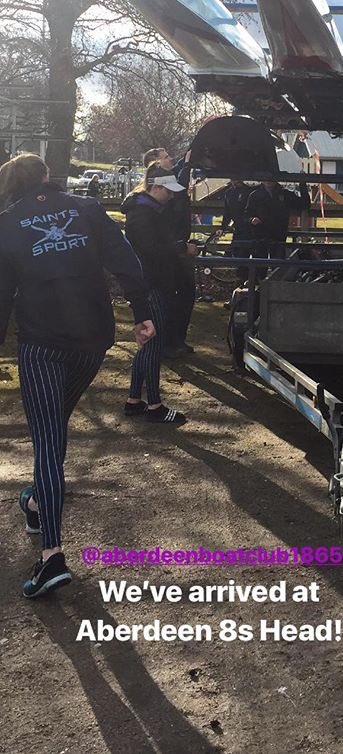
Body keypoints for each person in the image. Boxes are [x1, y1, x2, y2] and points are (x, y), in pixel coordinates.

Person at [0, 154, 154, 598]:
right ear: (47, 176)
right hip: (93, 338)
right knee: (54, 423)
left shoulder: (7, 223)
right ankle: (34, 501)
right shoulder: (86, 208)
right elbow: (124, 257)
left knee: (48, 437)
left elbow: (1, 294)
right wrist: (142, 310)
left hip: (42, 341)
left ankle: (52, 556)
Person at [122, 163, 189, 424]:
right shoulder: (143, 214)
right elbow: (150, 250)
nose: (172, 196)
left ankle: (134, 399)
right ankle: (154, 405)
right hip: (150, 284)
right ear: (156, 187)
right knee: (153, 343)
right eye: (168, 191)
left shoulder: (145, 211)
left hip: (149, 282)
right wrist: (180, 248)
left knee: (148, 345)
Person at [142, 146, 197, 356]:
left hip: (176, 245)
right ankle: (167, 341)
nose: (170, 159)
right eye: (165, 157)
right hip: (171, 249)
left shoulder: (167, 187)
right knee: (172, 294)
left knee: (183, 293)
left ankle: (175, 339)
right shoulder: (152, 202)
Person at [245, 175, 310, 262]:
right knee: (259, 265)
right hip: (260, 234)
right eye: (266, 178)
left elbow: (305, 204)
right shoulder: (255, 195)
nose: (268, 180)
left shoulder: (285, 194)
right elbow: (246, 215)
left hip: (278, 235)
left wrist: (302, 184)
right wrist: (251, 219)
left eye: (271, 178)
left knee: (278, 266)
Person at [215, 179, 253, 282]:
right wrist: (223, 227)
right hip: (238, 229)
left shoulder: (249, 192)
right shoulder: (229, 193)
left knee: (247, 256)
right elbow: (227, 212)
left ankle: (249, 281)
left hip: (251, 229)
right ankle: (241, 280)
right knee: (238, 256)